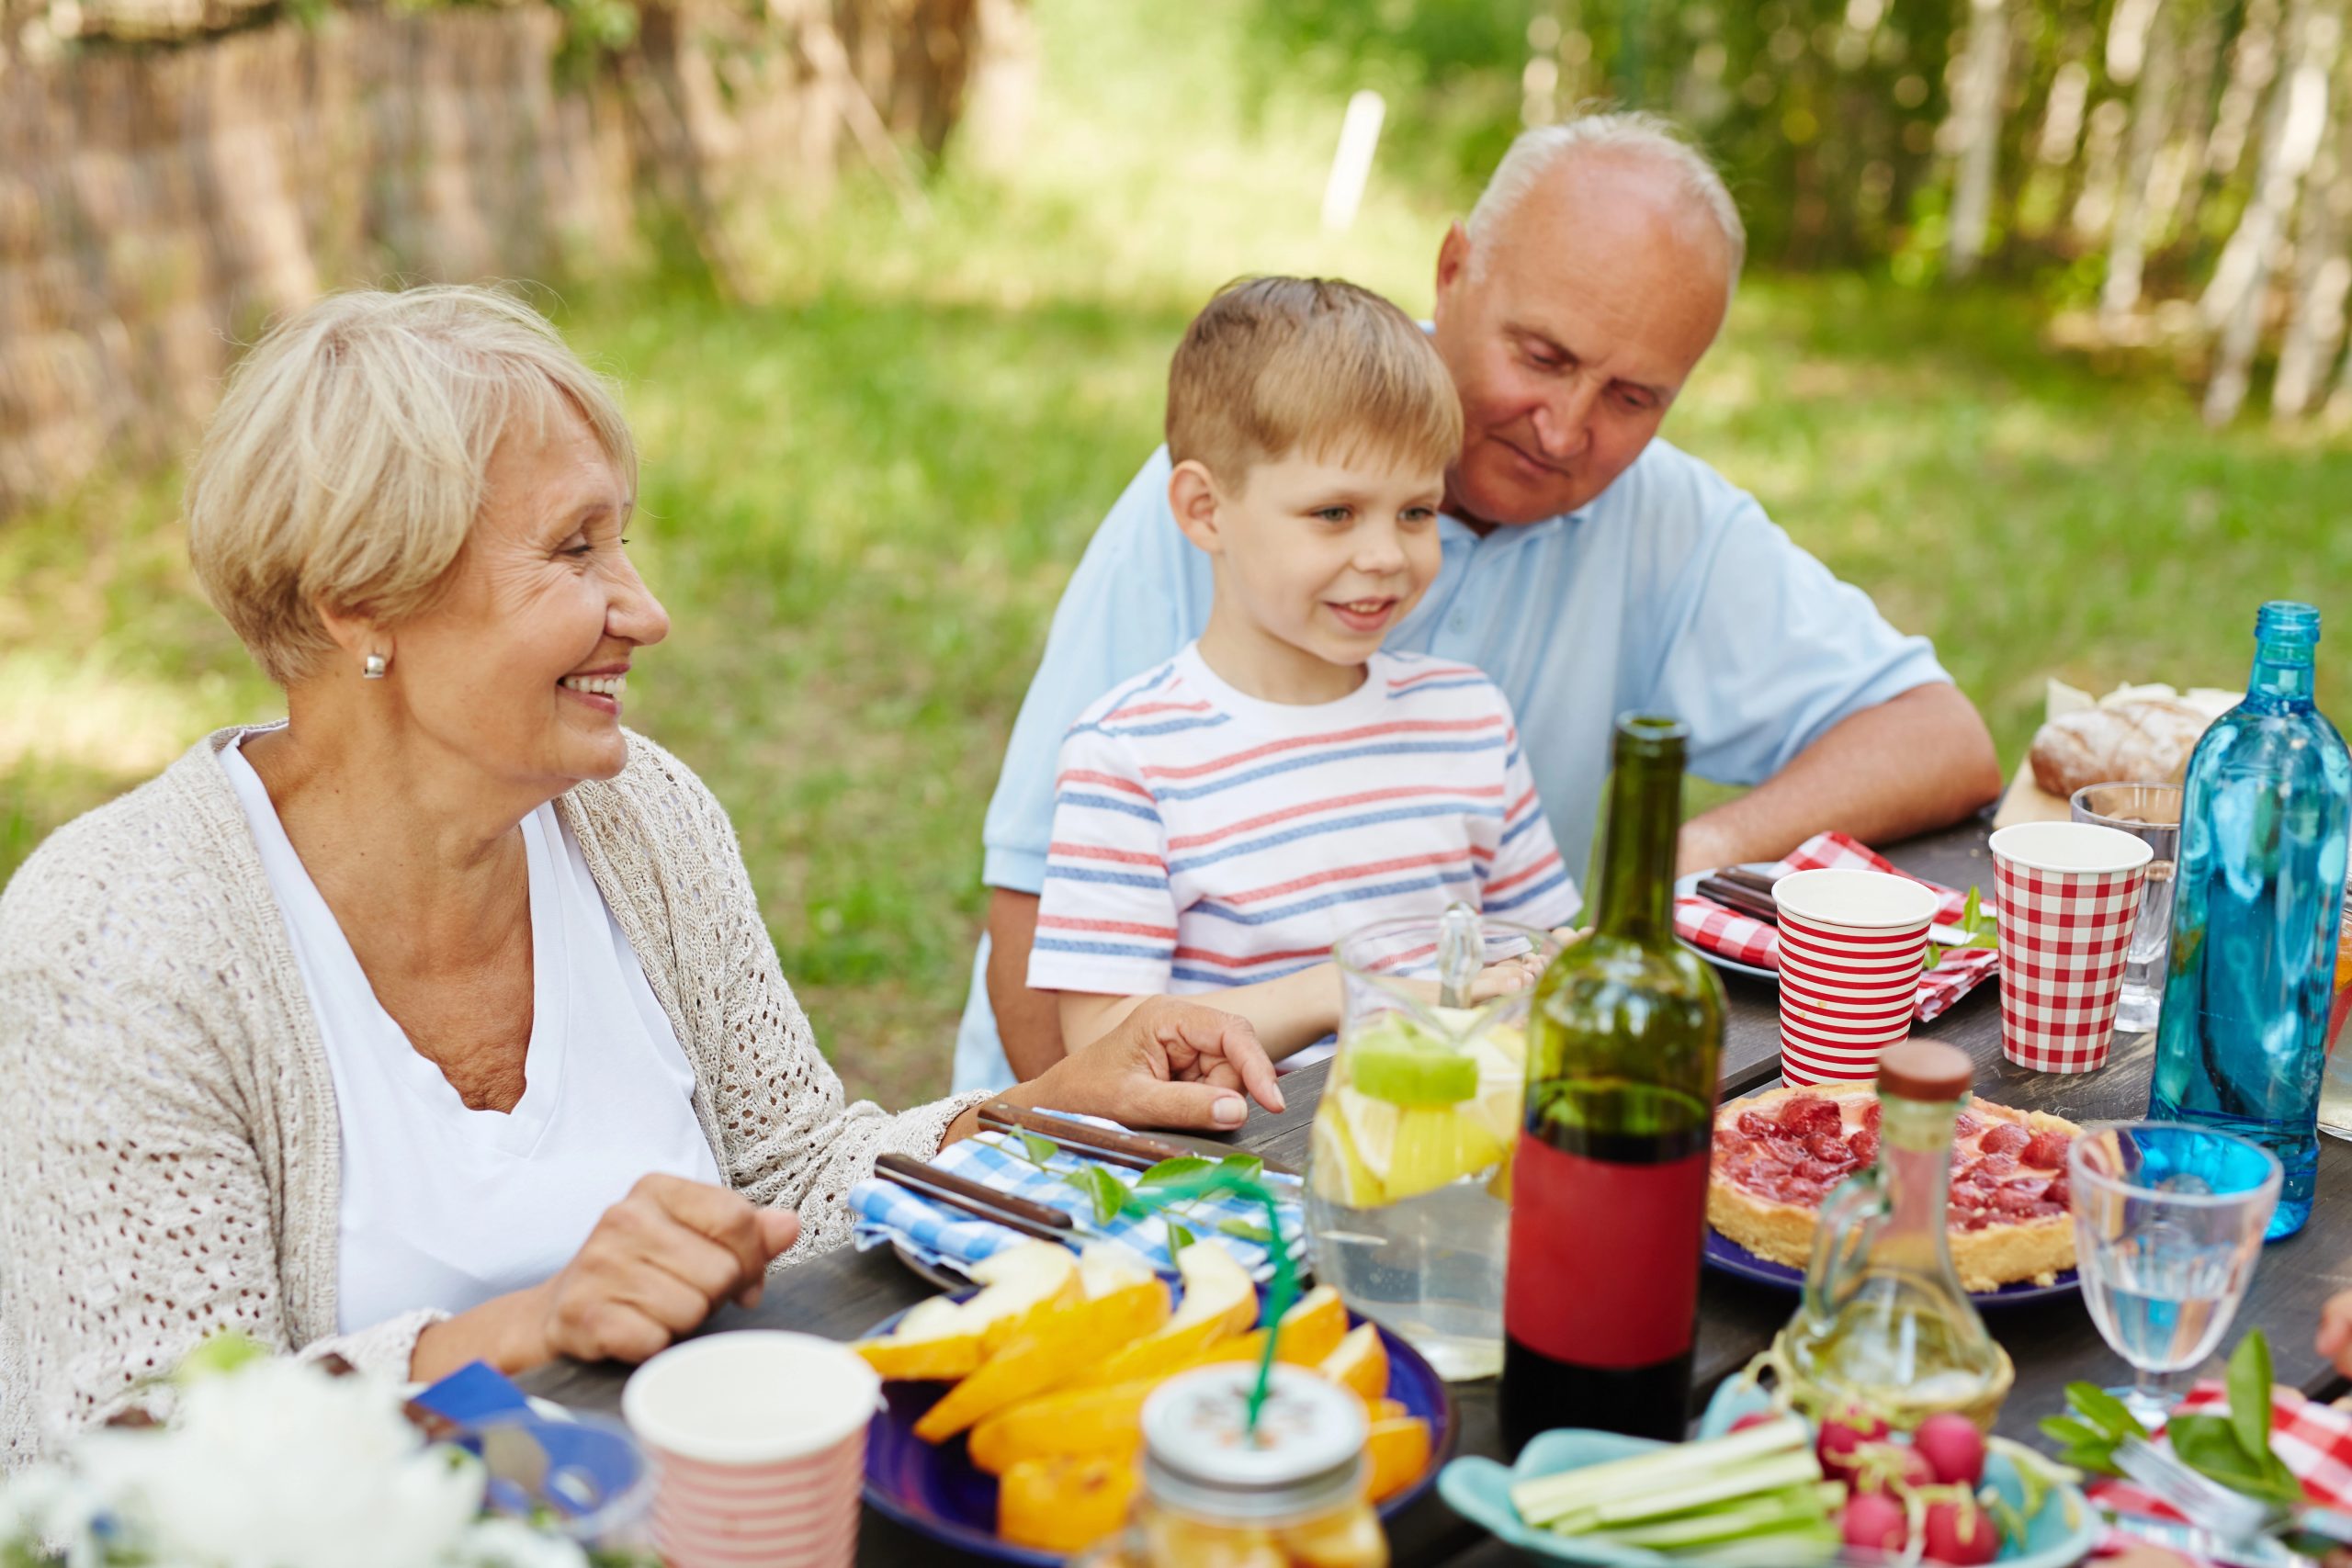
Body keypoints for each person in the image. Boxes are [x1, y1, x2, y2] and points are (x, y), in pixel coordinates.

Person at [0, 286, 1283, 1464]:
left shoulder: (638, 812)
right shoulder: (116, 941)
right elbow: (138, 1453)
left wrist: (1031, 1108)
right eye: (574, 551)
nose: (644, 607)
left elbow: (791, 1169)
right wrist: (512, 1331)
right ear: (359, 599)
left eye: (621, 541)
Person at [955, 110, 2003, 1093]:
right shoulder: (1248, 478)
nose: (1562, 429)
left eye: (1632, 397)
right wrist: (1071, 1150)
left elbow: (1937, 736)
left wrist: (1686, 857)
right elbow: (1037, 907)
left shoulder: (1658, 523)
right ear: (1453, 270)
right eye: (1540, 357)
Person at [1029, 276, 1577, 1067]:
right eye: (1335, 513)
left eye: (1417, 512)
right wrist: (1342, 992)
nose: (1387, 555)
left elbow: (1536, 947)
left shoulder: (1469, 719)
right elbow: (1106, 1042)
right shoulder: (1131, 754)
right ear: (1205, 510)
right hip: (1237, 1171)